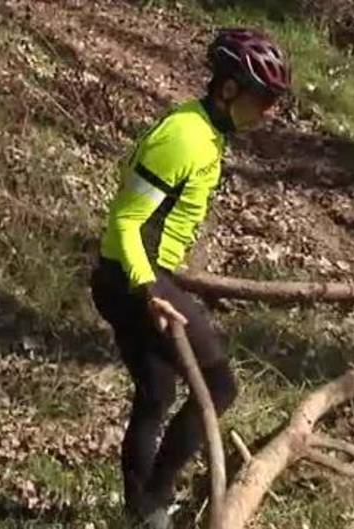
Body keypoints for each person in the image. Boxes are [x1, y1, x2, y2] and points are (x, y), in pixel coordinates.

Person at [89, 28, 291, 528]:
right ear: (227, 89)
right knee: (221, 387)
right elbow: (125, 221)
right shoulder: (184, 136)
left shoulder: (205, 132)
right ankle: (157, 498)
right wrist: (150, 291)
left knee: (155, 393)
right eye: (263, 97)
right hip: (134, 278)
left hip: (134, 276)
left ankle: (142, 513)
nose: (271, 110)